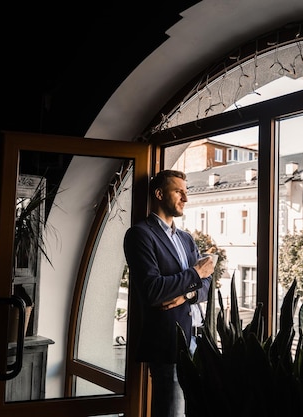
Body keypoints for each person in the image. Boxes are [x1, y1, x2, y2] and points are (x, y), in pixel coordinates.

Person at [123, 169, 214, 417]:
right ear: (160, 194)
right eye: (179, 192)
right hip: (168, 345)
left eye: (186, 192)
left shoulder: (186, 239)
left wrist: (187, 295)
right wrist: (195, 274)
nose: (186, 198)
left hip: (199, 340)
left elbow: (208, 286)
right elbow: (153, 290)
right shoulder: (140, 235)